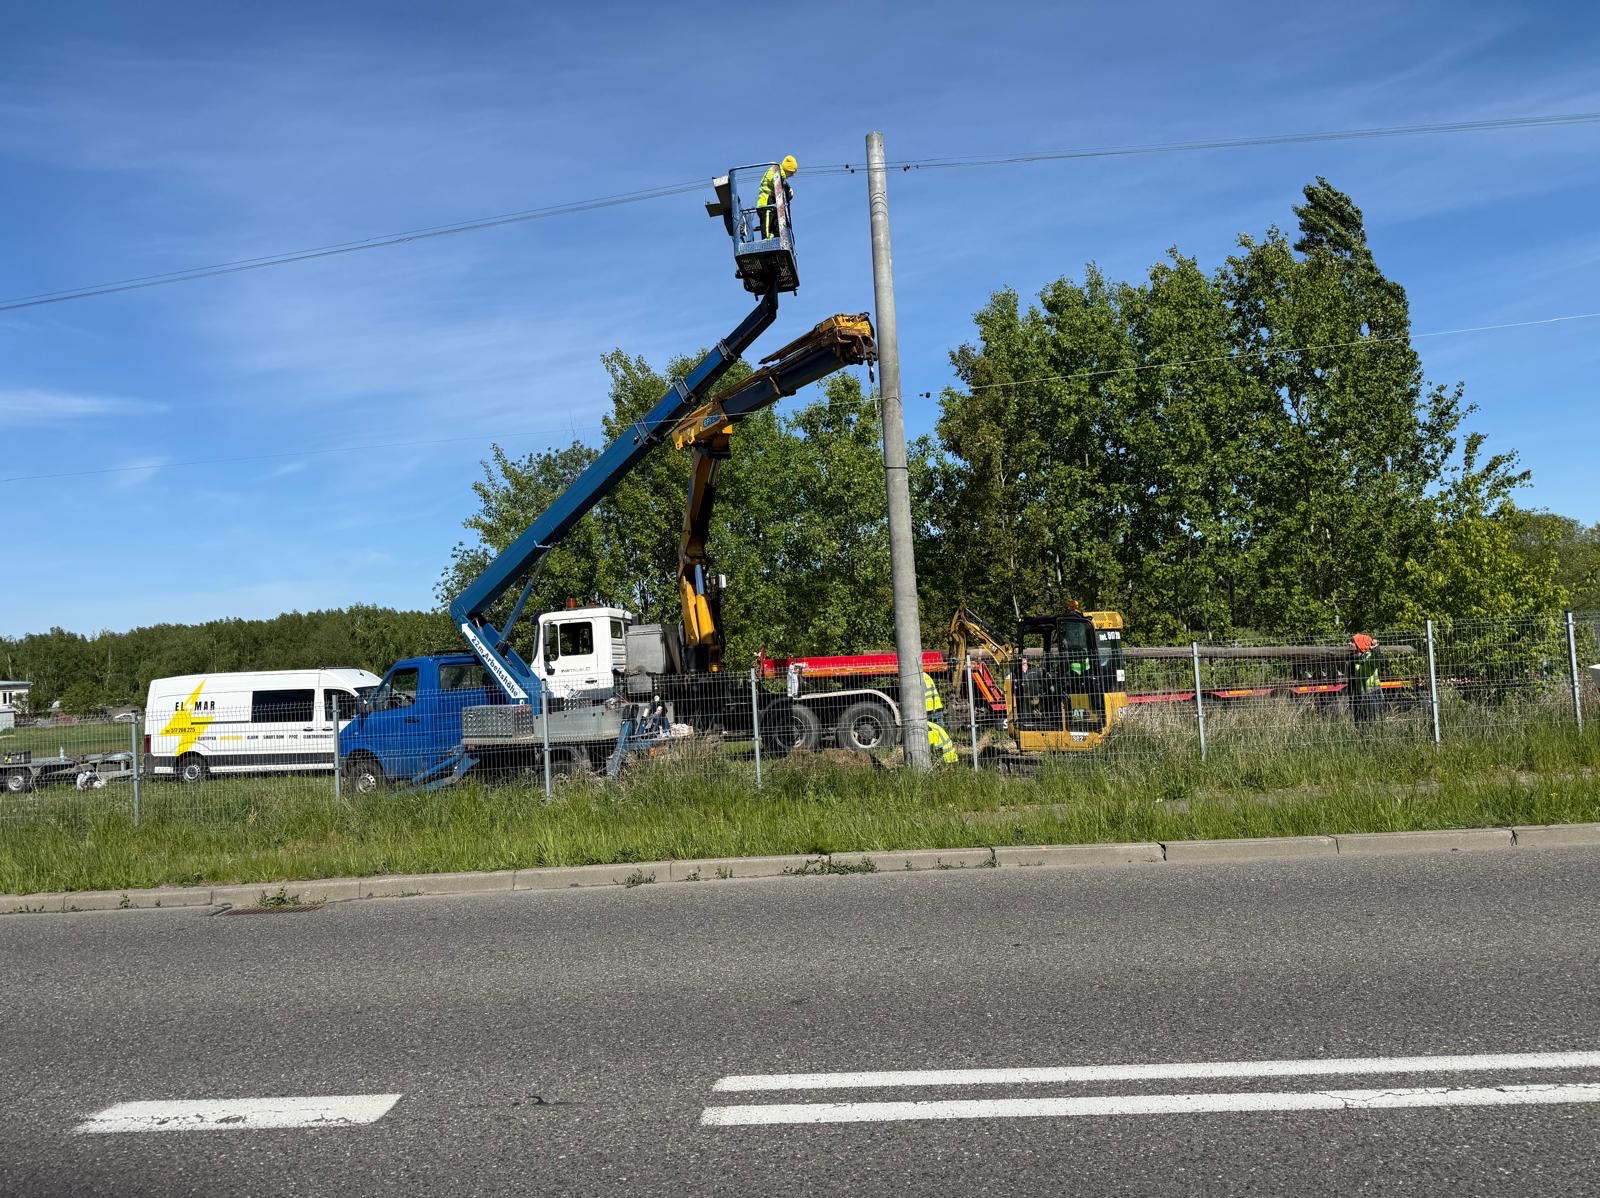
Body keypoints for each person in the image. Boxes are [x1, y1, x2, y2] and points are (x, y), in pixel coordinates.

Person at [923, 670, 959, 764]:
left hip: (927, 711)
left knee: (932, 735)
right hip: (936, 708)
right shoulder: (925, 676)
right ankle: (939, 757)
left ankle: (933, 757)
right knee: (941, 734)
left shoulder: (915, 679)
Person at [1349, 633, 1386, 725]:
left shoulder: (1369, 657)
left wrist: (1376, 648)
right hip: (1359, 696)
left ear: (1360, 644)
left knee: (1371, 724)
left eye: (1353, 642)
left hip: (1372, 695)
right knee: (1359, 726)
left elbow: (1376, 659)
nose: (1349, 643)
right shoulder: (1354, 658)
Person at [756, 155, 797, 239]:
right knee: (767, 228)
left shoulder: (779, 172)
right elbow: (776, 181)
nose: (791, 176)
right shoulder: (776, 171)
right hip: (766, 203)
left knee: (775, 227)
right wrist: (787, 188)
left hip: (772, 204)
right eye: (791, 173)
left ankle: (776, 240)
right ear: (788, 169)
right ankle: (767, 243)